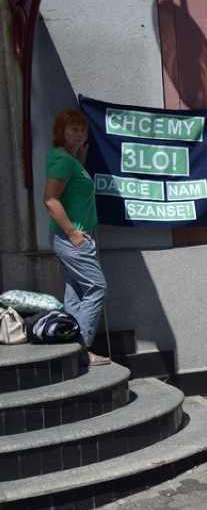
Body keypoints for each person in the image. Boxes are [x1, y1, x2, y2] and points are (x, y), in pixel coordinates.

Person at [43, 109, 110, 368]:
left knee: (74, 295)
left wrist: (80, 158)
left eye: (83, 129)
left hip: (72, 238)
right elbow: (50, 199)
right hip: (72, 238)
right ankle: (82, 349)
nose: (80, 133)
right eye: (74, 129)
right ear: (61, 132)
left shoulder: (69, 160)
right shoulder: (62, 160)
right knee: (97, 288)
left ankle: (69, 349)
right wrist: (72, 232)